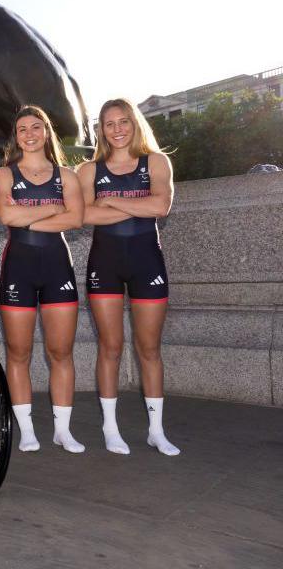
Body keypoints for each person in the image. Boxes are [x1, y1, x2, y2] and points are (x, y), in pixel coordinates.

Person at [78, 98, 179, 456]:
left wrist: (113, 203)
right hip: (104, 263)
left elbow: (160, 206)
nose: (117, 129)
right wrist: (131, 205)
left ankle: (156, 430)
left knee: (149, 349)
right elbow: (85, 216)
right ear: (101, 130)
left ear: (135, 124)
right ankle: (110, 428)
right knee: (111, 347)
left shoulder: (156, 162)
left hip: (146, 262)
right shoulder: (90, 171)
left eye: (124, 122)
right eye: (109, 124)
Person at [0, 105, 85, 453]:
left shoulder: (68, 175)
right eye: (22, 129)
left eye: (36, 127)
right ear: (15, 137)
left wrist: (26, 217)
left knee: (60, 351)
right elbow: (5, 215)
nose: (29, 134)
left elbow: (76, 219)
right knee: (19, 351)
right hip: (18, 267)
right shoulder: (4, 175)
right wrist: (53, 208)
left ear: (47, 132)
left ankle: (63, 431)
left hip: (57, 267)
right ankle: (27, 430)